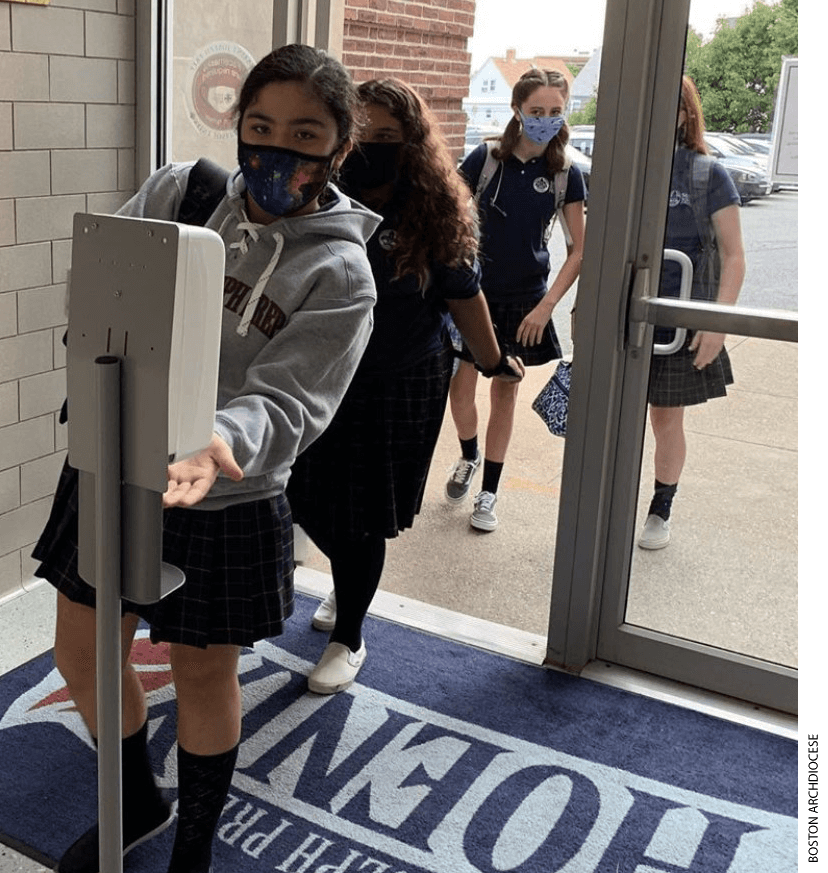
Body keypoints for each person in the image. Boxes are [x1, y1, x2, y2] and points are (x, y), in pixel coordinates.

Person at [31, 44, 380, 873]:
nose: (276, 152)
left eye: (304, 135)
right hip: (112, 466)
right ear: (236, 123)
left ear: (337, 146)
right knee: (80, 655)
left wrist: (218, 440)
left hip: (221, 495)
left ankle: (194, 848)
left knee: (199, 673)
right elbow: (103, 279)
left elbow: (291, 398)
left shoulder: (340, 269)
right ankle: (136, 804)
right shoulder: (180, 193)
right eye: (259, 127)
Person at [286, 78, 523, 694]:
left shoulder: (433, 207)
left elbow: (463, 296)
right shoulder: (316, 194)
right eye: (362, 135)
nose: (373, 148)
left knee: (363, 513)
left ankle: (350, 634)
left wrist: (493, 361)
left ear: (412, 143)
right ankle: (346, 582)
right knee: (306, 495)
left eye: (387, 137)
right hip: (320, 374)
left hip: (399, 380)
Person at [446, 68, 587, 531]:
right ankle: (469, 456)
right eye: (536, 111)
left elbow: (580, 249)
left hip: (526, 303)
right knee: (460, 388)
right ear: (517, 111)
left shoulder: (566, 174)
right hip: (474, 294)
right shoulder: (486, 160)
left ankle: (489, 492)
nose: (545, 120)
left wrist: (546, 307)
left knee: (504, 392)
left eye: (554, 112)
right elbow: (453, 220)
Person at [639, 75, 745, 549]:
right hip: (627, 319)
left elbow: (735, 255)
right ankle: (609, 502)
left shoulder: (707, 174)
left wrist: (716, 325)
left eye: (668, 108)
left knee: (666, 420)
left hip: (679, 327)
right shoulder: (628, 170)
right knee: (612, 420)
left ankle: (661, 507)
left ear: (685, 115)